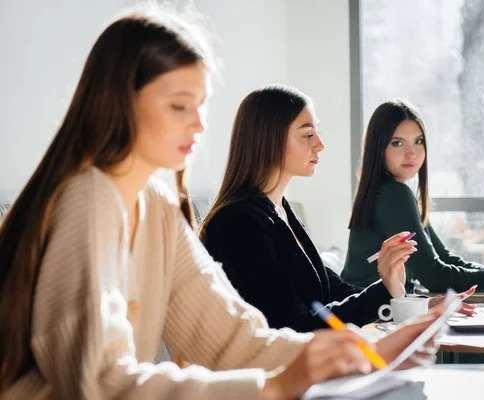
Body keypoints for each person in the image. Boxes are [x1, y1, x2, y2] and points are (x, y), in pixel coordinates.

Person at [0, 8, 447, 399]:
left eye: (202, 106)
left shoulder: (157, 206)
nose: (198, 124)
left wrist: (363, 353)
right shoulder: (89, 198)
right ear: (120, 103)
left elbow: (235, 339)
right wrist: (273, 386)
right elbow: (100, 385)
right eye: (179, 106)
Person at [200, 85, 474, 334]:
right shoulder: (239, 224)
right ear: (268, 140)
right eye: (308, 134)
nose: (320, 144)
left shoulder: (280, 211)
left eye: (317, 132)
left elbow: (330, 291)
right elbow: (289, 326)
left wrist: (410, 303)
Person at [342, 99, 484, 293]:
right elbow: (434, 276)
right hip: (368, 316)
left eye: (419, 141)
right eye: (397, 143)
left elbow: (444, 258)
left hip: (378, 310)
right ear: (378, 148)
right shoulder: (393, 194)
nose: (412, 153)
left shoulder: (388, 190)